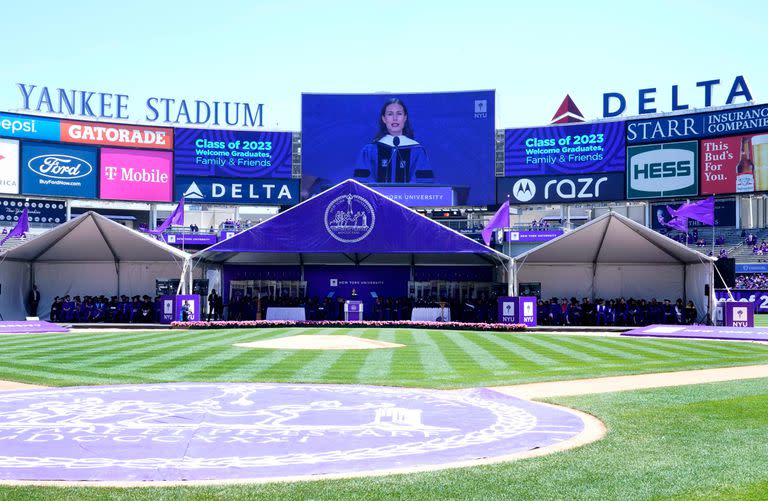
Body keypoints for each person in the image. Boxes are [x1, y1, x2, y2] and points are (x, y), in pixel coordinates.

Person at [353, 98, 434, 184]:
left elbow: (423, 183)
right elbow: (363, 182)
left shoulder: (417, 150)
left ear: (405, 118)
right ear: (384, 119)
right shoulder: (370, 150)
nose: (395, 118)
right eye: (390, 114)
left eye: (399, 114)